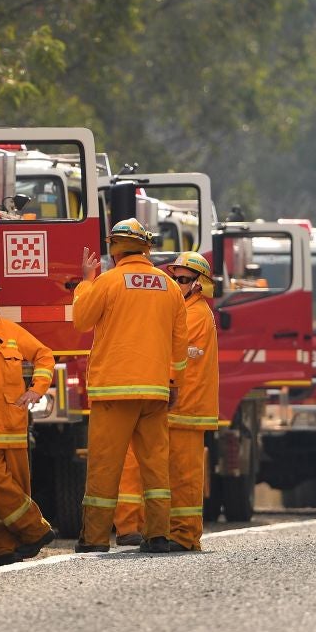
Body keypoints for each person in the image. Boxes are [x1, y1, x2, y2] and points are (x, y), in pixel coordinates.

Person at [72, 218, 188, 552]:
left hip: (114, 390)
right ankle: (157, 535)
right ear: (146, 247)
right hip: (155, 390)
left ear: (114, 247)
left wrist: (84, 282)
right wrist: (174, 384)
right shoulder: (168, 286)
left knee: (106, 466)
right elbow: (179, 345)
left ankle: (94, 539)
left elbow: (81, 320)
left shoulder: (107, 282)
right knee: (154, 467)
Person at [0, 265, 59, 565]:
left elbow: (45, 356)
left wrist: (37, 388)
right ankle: (34, 529)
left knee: (15, 489)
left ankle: (1, 550)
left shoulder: (10, 332)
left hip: (14, 426)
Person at [163, 252, 220, 551]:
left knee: (185, 476)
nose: (176, 283)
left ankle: (185, 536)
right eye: (174, 277)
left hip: (188, 407)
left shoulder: (195, 314)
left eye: (183, 279)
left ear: (199, 284)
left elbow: (176, 353)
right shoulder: (184, 310)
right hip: (177, 406)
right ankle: (167, 532)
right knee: (171, 474)